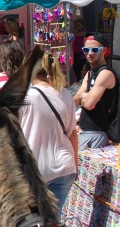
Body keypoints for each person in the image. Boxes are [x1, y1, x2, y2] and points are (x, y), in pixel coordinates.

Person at [19, 51, 77, 216]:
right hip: (64, 166)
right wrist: (75, 164)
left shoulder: (24, 96)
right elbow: (72, 134)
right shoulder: (65, 94)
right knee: (52, 220)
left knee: (30, 220)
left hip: (35, 169)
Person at [74, 34, 118, 150]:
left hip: (96, 133)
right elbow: (75, 98)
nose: (89, 53)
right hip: (85, 131)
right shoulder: (90, 73)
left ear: (104, 51)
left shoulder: (106, 74)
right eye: (86, 50)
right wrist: (85, 96)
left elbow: (89, 104)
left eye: (94, 50)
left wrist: (84, 97)